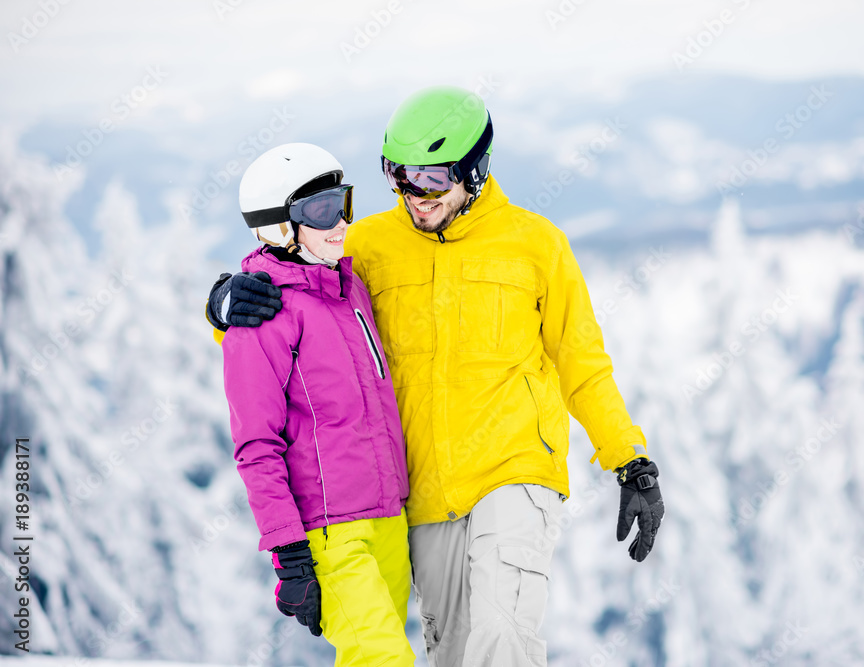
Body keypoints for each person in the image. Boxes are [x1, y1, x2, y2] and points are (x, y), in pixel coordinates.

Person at [208, 88, 664, 666]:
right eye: (399, 178)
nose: (414, 197)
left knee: (503, 635)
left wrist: (628, 457)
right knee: (452, 651)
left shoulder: (534, 245)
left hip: (514, 469)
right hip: (419, 495)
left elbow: (582, 362)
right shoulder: (369, 245)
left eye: (430, 179)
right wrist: (225, 306)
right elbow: (294, 310)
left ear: (474, 171)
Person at [220, 142, 414, 666]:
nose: (340, 222)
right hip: (329, 533)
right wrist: (289, 554)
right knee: (385, 659)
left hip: (388, 517)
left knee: (381, 651)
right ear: (279, 226)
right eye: (320, 210)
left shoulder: (350, 288)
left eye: (342, 202)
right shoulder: (260, 316)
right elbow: (256, 445)